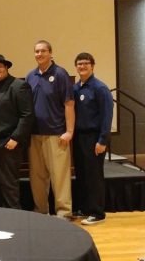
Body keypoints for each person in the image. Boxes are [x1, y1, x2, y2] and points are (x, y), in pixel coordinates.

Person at [25, 40, 74, 218]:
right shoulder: (31, 76)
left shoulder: (60, 74)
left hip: (56, 134)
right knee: (37, 178)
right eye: (36, 51)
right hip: (35, 135)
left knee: (59, 178)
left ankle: (64, 213)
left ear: (50, 53)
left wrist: (69, 131)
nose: (39, 54)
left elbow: (69, 104)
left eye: (43, 51)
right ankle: (41, 211)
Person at [0, 54, 34, 209]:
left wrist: (15, 138)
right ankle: (4, 215)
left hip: (8, 143)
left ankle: (14, 217)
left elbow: (27, 115)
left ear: (6, 67)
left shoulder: (18, 86)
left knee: (9, 184)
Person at [72, 52, 113, 225]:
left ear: (92, 66)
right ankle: (85, 208)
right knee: (81, 174)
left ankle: (97, 213)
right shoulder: (75, 88)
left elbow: (107, 116)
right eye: (79, 64)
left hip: (94, 138)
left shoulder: (100, 88)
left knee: (94, 176)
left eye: (85, 63)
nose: (82, 66)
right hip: (79, 137)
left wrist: (102, 140)